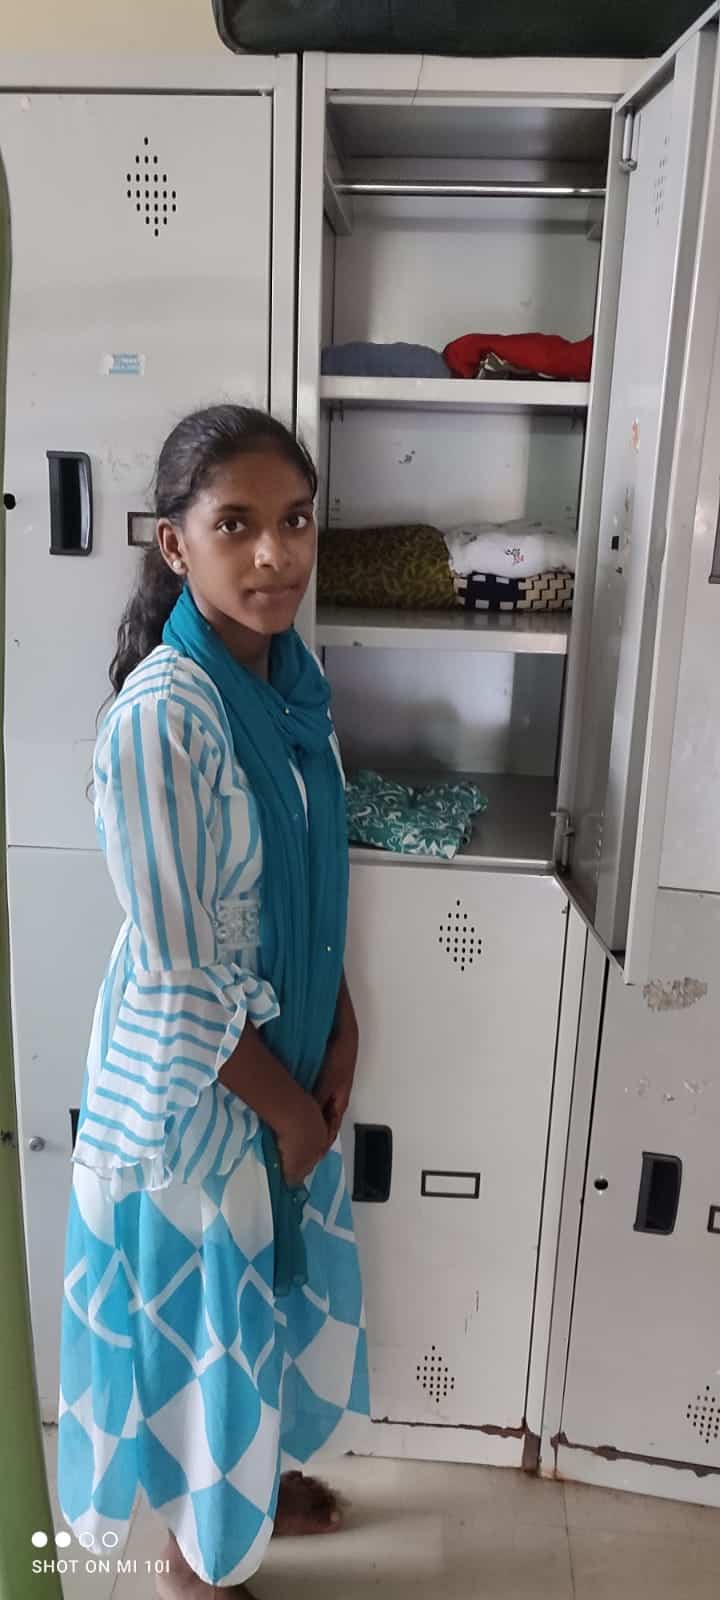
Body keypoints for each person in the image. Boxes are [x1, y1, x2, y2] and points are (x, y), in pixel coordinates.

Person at [57, 405, 369, 1597]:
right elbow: (183, 974)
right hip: (203, 1094)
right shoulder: (162, 722)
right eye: (234, 525)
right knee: (212, 1334)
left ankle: (242, 1494)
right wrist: (291, 1109)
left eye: (293, 521)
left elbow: (314, 868)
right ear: (175, 545)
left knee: (258, 1322)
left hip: (283, 1054)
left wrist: (344, 1027)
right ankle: (204, 1567)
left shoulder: (294, 685)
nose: (274, 555)